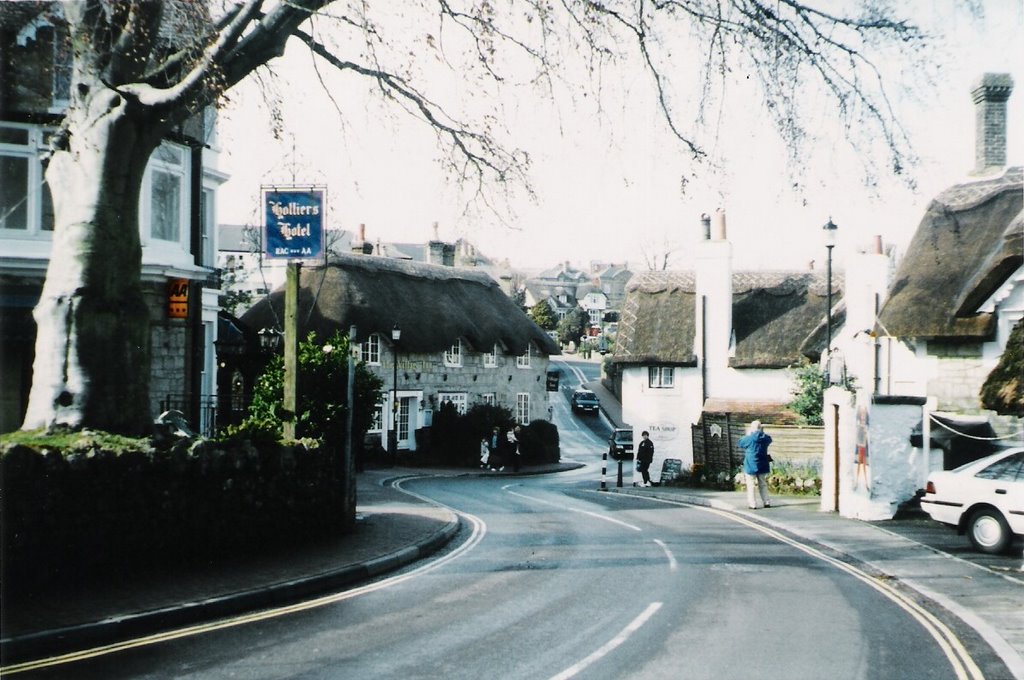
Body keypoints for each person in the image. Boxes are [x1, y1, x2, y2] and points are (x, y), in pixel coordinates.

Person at [738, 420, 772, 509]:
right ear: (760, 428)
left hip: (750, 463)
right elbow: (769, 439)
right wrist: (762, 432)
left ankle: (752, 504)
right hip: (763, 463)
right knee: (763, 484)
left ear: (752, 428)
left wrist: (748, 434)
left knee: (751, 484)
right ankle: (766, 502)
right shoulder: (765, 438)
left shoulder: (749, 438)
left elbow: (740, 443)